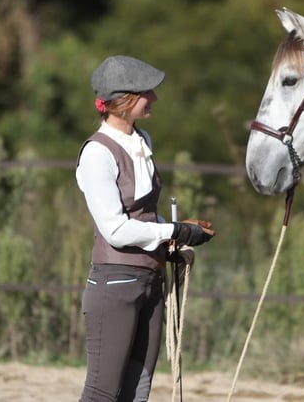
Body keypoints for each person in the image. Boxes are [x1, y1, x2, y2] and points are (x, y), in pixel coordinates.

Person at [75, 55, 215, 402]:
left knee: (138, 391)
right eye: (145, 93)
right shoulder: (96, 153)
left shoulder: (143, 140)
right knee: (101, 394)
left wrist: (179, 227)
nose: (154, 98)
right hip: (115, 286)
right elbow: (116, 230)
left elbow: (143, 217)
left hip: (150, 282)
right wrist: (175, 232)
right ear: (121, 102)